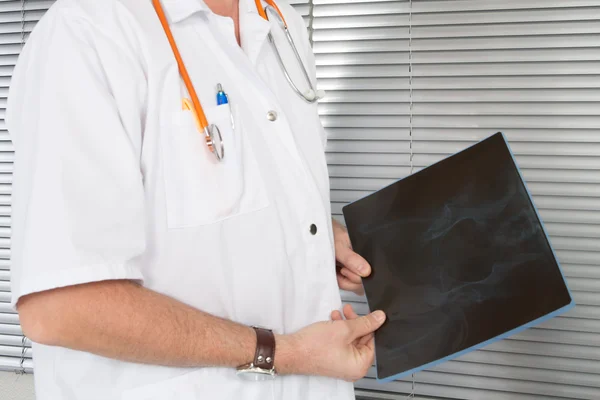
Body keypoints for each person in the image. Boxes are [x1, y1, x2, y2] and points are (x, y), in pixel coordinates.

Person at [6, 0, 387, 399]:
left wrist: (312, 235)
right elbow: (61, 308)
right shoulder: (88, 28)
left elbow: (225, 194)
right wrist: (283, 354)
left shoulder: (279, 19)